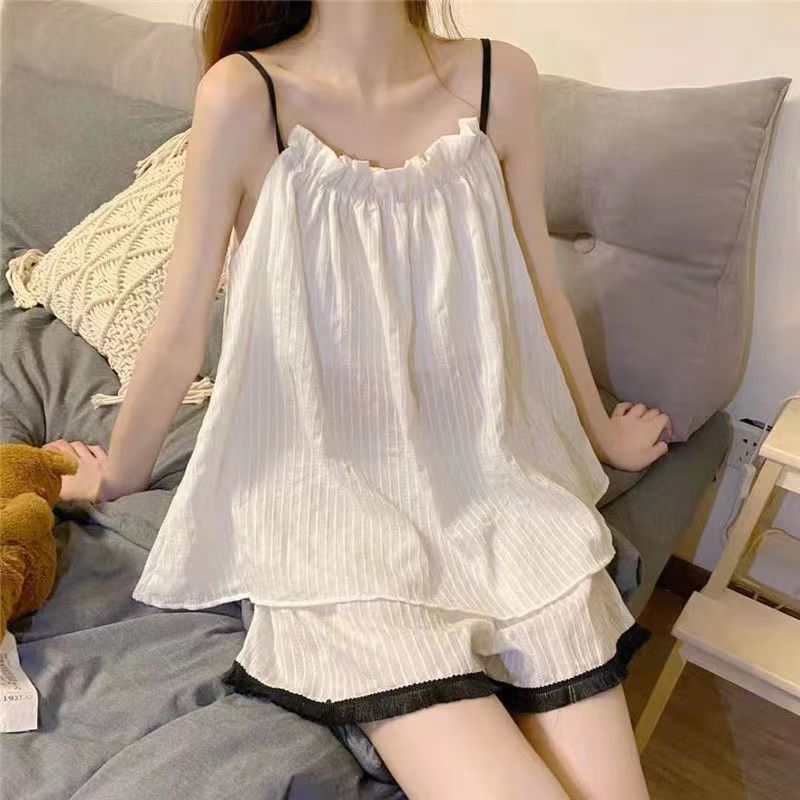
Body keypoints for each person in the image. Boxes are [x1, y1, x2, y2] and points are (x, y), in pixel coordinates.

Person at [45, 2, 671, 798]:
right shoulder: (245, 95)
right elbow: (178, 328)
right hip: (333, 519)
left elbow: (539, 288)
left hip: (498, 491)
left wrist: (602, 437)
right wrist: (118, 476)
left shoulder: (501, 79)